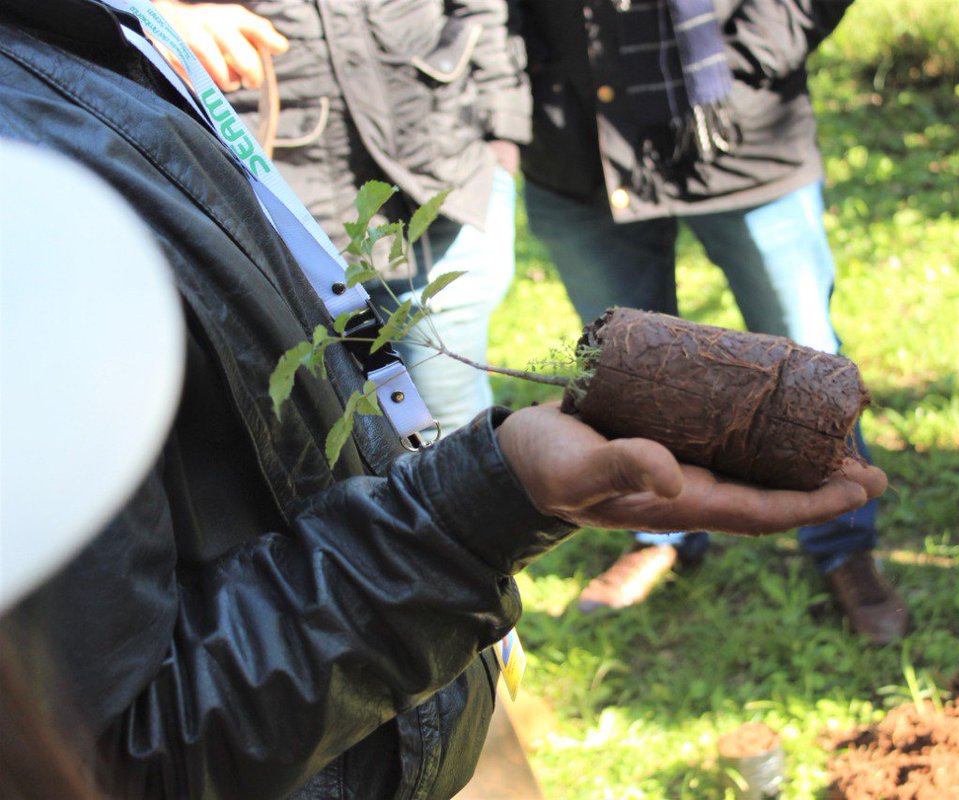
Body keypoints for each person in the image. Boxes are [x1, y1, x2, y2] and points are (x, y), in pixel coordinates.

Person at [0, 2, 886, 797]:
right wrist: (471, 520)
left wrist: (482, 501)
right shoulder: (27, 176)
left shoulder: (75, 38)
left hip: (392, 705)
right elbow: (121, 750)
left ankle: (846, 558)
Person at [517, 0, 909, 643]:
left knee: (810, 367)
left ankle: (843, 544)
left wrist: (751, 53)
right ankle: (659, 533)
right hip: (578, 145)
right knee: (625, 376)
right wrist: (518, 100)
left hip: (743, 130)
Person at [153, 0, 529, 434]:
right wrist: (157, 15)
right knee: (329, 448)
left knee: (457, 433)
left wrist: (502, 131)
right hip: (284, 232)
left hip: (444, 187)